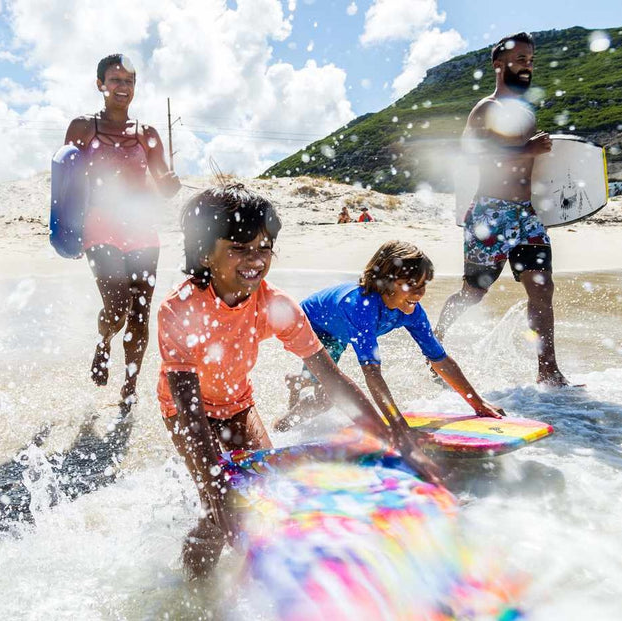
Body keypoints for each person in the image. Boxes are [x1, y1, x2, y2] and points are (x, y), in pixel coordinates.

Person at [157, 185, 443, 579]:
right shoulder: (180, 309)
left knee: (266, 497)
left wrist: (392, 437)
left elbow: (332, 377)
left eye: (264, 247)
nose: (254, 260)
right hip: (187, 414)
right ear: (206, 251)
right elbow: (188, 408)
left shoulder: (276, 305)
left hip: (238, 404)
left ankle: (256, 586)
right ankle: (192, 587)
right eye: (239, 248)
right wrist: (214, 482)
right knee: (220, 505)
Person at [435, 32, 574, 387]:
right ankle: (434, 345)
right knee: (473, 293)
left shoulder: (525, 113)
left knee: (542, 289)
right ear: (499, 64)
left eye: (530, 60)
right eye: (521, 60)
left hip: (526, 216)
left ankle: (548, 371)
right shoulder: (486, 109)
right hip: (489, 216)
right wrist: (526, 149)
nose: (528, 66)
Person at [275, 241, 504, 432]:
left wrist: (477, 403)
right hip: (312, 324)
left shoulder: (412, 310)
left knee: (320, 385)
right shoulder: (362, 306)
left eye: (424, 284)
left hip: (338, 327)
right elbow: (372, 372)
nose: (420, 293)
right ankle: (282, 427)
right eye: (412, 284)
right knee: (327, 398)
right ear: (384, 281)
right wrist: (397, 424)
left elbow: (440, 360)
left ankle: (299, 381)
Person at [64, 53, 181, 415]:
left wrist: (170, 185)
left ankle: (129, 386)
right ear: (100, 84)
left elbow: (164, 188)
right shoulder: (83, 128)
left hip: (142, 229)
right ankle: (104, 340)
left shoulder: (147, 135)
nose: (122, 87)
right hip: (100, 226)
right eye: (115, 80)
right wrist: (64, 228)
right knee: (117, 307)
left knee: (140, 313)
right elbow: (65, 178)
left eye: (128, 81)